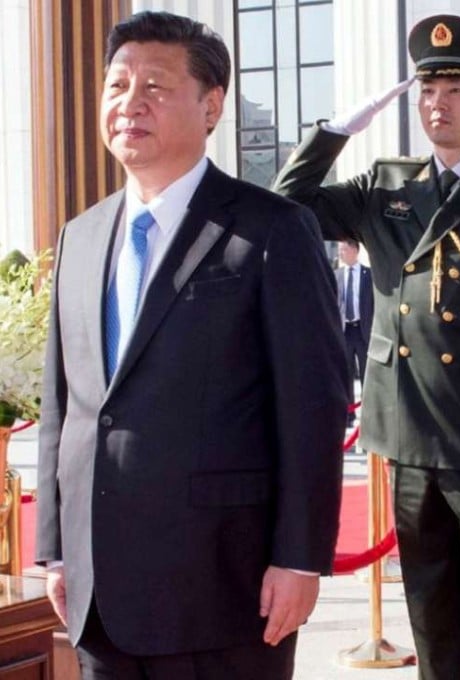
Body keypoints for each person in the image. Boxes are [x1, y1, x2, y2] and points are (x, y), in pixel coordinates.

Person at [35, 11, 346, 679]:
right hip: (99, 590)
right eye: (117, 86)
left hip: (220, 583)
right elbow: (64, 403)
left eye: (155, 86)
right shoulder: (80, 238)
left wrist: (299, 557)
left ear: (212, 106)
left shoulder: (270, 231)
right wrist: (57, 549)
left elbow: (313, 406)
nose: (129, 104)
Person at [273, 13, 460, 679]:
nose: (440, 104)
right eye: (429, 90)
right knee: (428, 600)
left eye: (457, 90)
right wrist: (336, 132)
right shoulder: (387, 184)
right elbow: (287, 207)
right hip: (404, 428)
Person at [337, 238, 373, 423]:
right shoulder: (337, 275)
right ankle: (349, 412)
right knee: (346, 374)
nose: (340, 253)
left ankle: (368, 415)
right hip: (345, 332)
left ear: (354, 250)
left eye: (343, 249)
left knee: (368, 373)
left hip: (363, 331)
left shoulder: (369, 275)